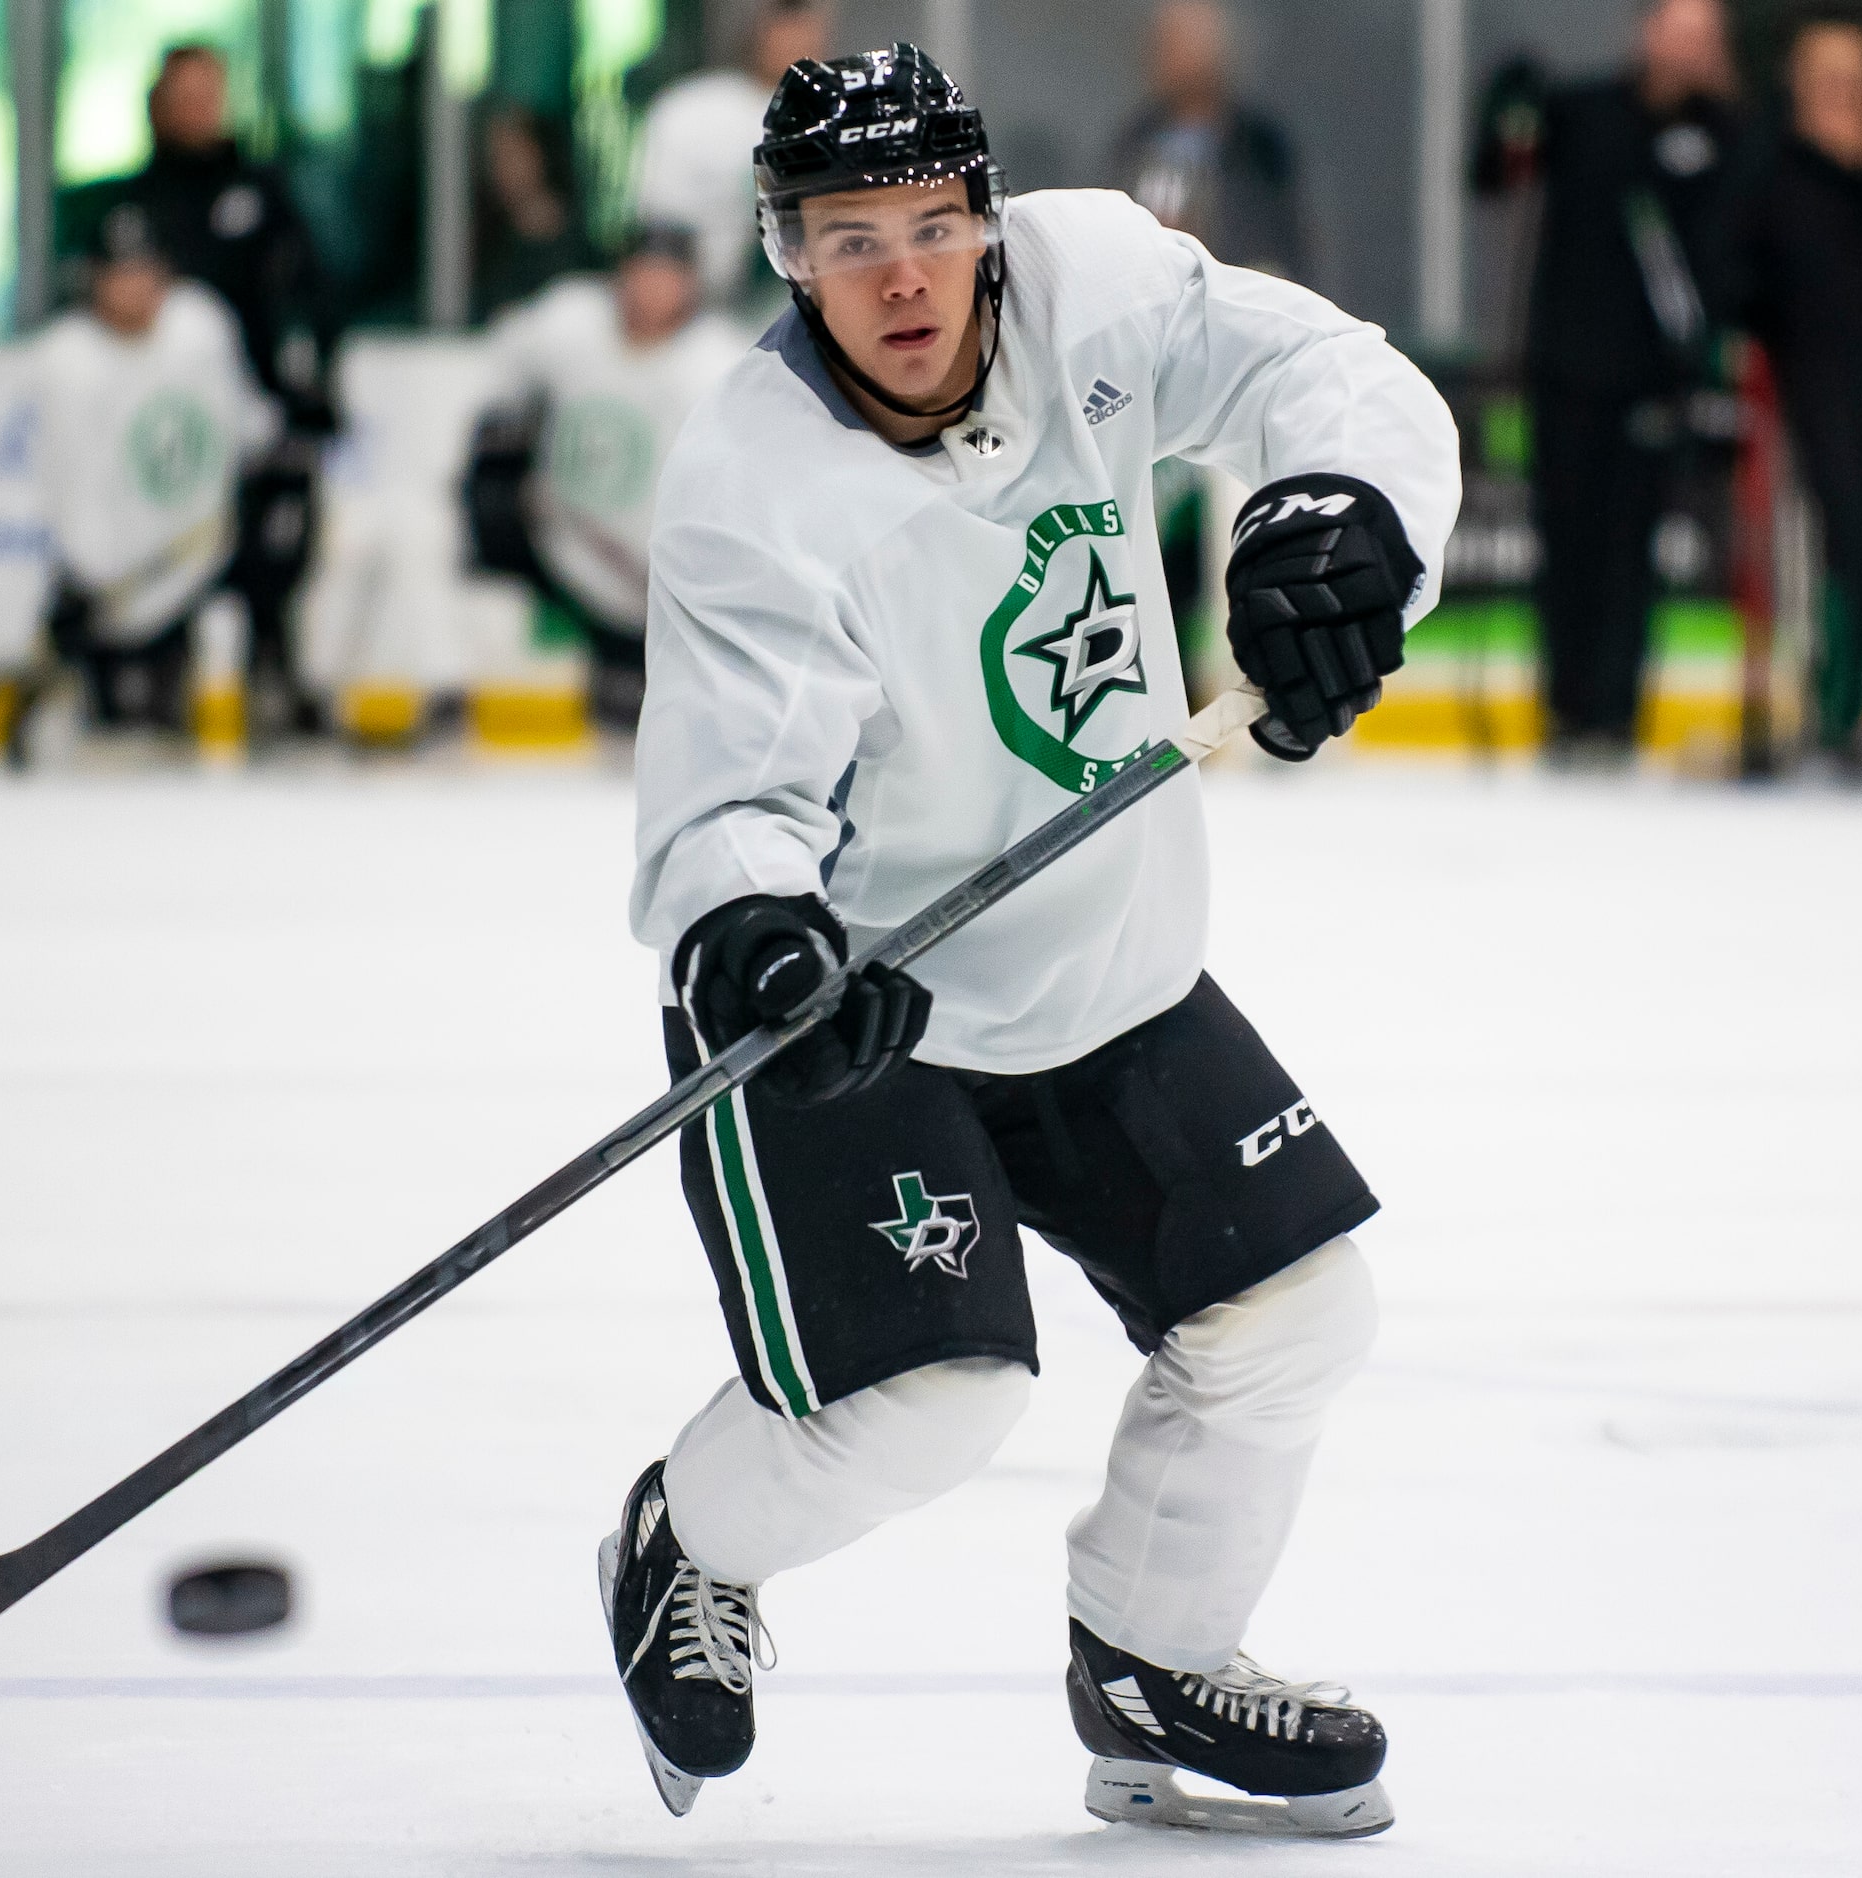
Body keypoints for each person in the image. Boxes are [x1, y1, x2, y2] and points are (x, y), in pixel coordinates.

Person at [600, 43, 1460, 1837]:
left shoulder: (1104, 280)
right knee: (925, 1399)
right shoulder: (754, 485)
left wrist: (1343, 516)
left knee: (1294, 1312)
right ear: (785, 256)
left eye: (929, 223)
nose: (901, 276)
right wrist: (759, 934)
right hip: (856, 999)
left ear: (985, 216)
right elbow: (723, 806)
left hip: (1102, 966)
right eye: (848, 240)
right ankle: (687, 1527)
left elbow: (1332, 373)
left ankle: (1150, 1657)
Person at [99, 44, 340, 742]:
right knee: (167, 544)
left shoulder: (262, 190)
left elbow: (312, 296)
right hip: (173, 424)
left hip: (260, 419)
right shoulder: (136, 203)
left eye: (213, 92)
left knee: (275, 548)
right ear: (158, 103)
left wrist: (308, 387)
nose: (202, 107)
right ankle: (155, 666)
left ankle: (272, 671)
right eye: (187, 94)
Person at [1524, 0, 1742, 760]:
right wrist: (1507, 98)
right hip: (1565, 370)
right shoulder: (1582, 113)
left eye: (1703, 39)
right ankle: (1565, 709)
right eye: (1676, 33)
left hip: (1656, 381)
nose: (1687, 52)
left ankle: (1616, 713)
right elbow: (1493, 171)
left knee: (1630, 550)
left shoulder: (1723, 133)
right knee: (1566, 544)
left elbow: (1737, 242)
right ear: (1646, 34)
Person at [1728, 10, 1862, 770]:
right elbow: (1733, 264)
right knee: (1828, 534)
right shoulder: (1768, 165)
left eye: (1852, 80)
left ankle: (1849, 710)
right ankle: (1819, 700)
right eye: (1826, 79)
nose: (1839, 94)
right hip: (1801, 384)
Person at [11, 204, 276, 756]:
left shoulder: (200, 329)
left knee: (162, 750)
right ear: (93, 280)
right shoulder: (64, 360)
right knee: (101, 752)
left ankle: (277, 692)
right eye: (119, 273)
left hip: (191, 570)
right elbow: (65, 487)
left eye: (145, 271)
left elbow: (243, 426)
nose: (135, 288)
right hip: (100, 590)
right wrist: (92, 580)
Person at [462, 224, 743, 737]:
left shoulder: (717, 363)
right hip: (563, 556)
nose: (653, 289)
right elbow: (498, 367)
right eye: (644, 271)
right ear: (622, 274)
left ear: (692, 285)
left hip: (658, 591)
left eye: (668, 275)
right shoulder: (570, 322)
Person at [632, 0, 827, 310]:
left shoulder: (833, 121)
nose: (797, 41)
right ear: (757, 32)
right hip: (694, 307)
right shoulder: (691, 108)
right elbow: (660, 229)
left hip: (795, 305)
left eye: (806, 28)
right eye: (784, 27)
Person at [1110, 0, 1310, 282]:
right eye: (1164, 44)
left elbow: (1284, 252)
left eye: (1183, 42)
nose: (1169, 56)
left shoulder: (1261, 151)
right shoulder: (1133, 141)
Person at [472, 105, 596, 320]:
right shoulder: (484, 242)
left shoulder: (582, 250)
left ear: (539, 155)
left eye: (510, 154)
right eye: (494, 158)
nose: (499, 169)